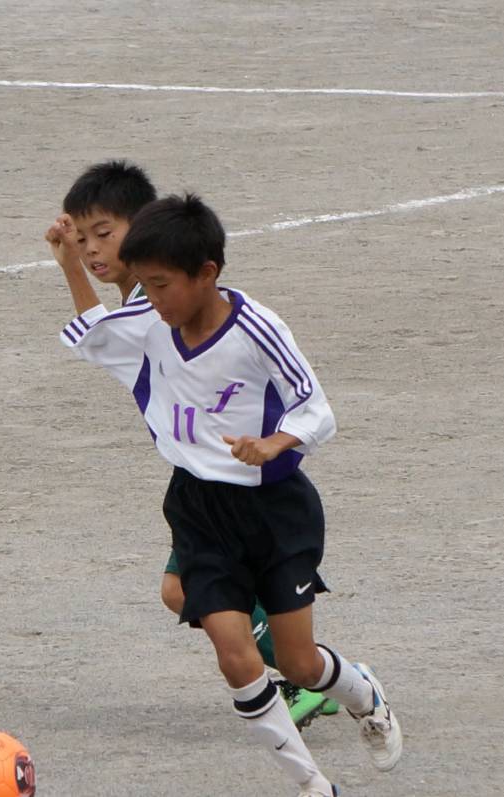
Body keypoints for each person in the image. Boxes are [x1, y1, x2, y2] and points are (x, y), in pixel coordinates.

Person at [60, 192, 403, 796]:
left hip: (275, 510)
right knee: (234, 655)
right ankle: (312, 787)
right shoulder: (151, 322)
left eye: (160, 286)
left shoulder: (257, 328)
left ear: (207, 274)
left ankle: (362, 693)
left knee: (299, 664)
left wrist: (274, 443)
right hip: (197, 507)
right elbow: (96, 339)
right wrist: (69, 264)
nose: (151, 299)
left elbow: (316, 408)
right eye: (145, 285)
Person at [48, 161, 337, 730]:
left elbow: (101, 341)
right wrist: (71, 268)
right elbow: (108, 342)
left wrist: (272, 443)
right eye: (81, 239)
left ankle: (305, 679)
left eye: (103, 234)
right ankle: (300, 674)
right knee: (182, 591)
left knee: (184, 591)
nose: (91, 250)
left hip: (237, 483)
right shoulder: (149, 300)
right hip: (203, 479)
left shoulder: (160, 303)